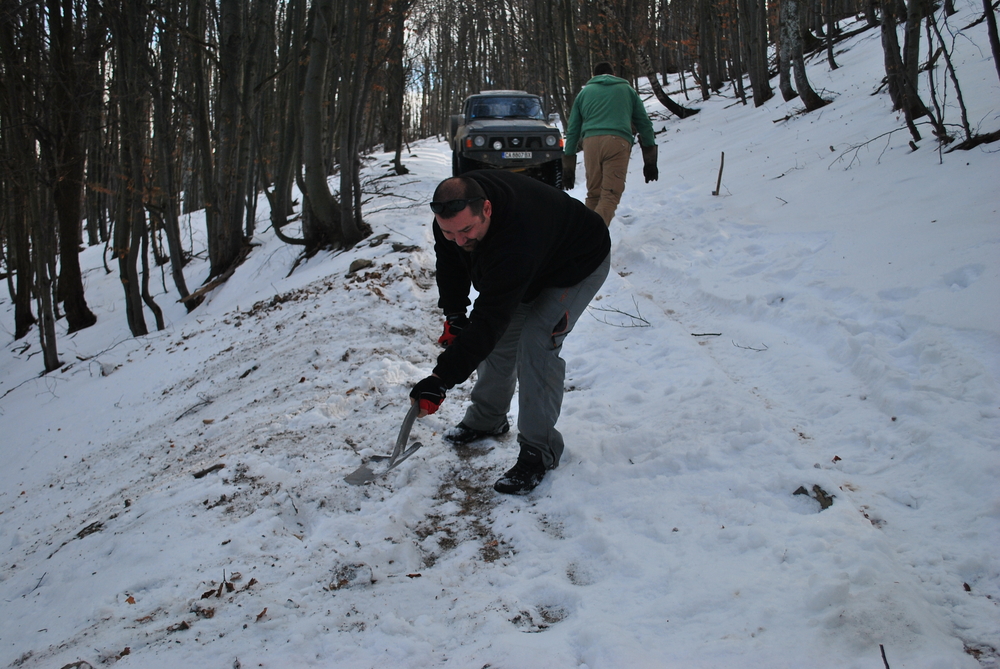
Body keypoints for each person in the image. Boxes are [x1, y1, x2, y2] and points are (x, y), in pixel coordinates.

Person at [409, 170, 611, 495]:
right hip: (534, 262)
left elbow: (490, 316)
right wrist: (455, 313)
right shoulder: (453, 220)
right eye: (449, 232)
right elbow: (450, 263)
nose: (460, 240)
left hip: (576, 262)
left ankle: (538, 452)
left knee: (537, 343)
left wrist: (440, 378)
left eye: (466, 230)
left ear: (486, 209)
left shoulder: (516, 237)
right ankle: (487, 418)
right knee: (498, 342)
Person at [562, 61, 659, 226]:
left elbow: (572, 131)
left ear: (594, 76)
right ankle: (590, 241)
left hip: (591, 143)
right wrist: (650, 161)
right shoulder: (627, 90)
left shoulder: (584, 94)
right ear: (614, 74)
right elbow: (644, 124)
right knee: (610, 195)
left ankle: (583, 240)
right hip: (617, 142)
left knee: (594, 195)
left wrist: (568, 168)